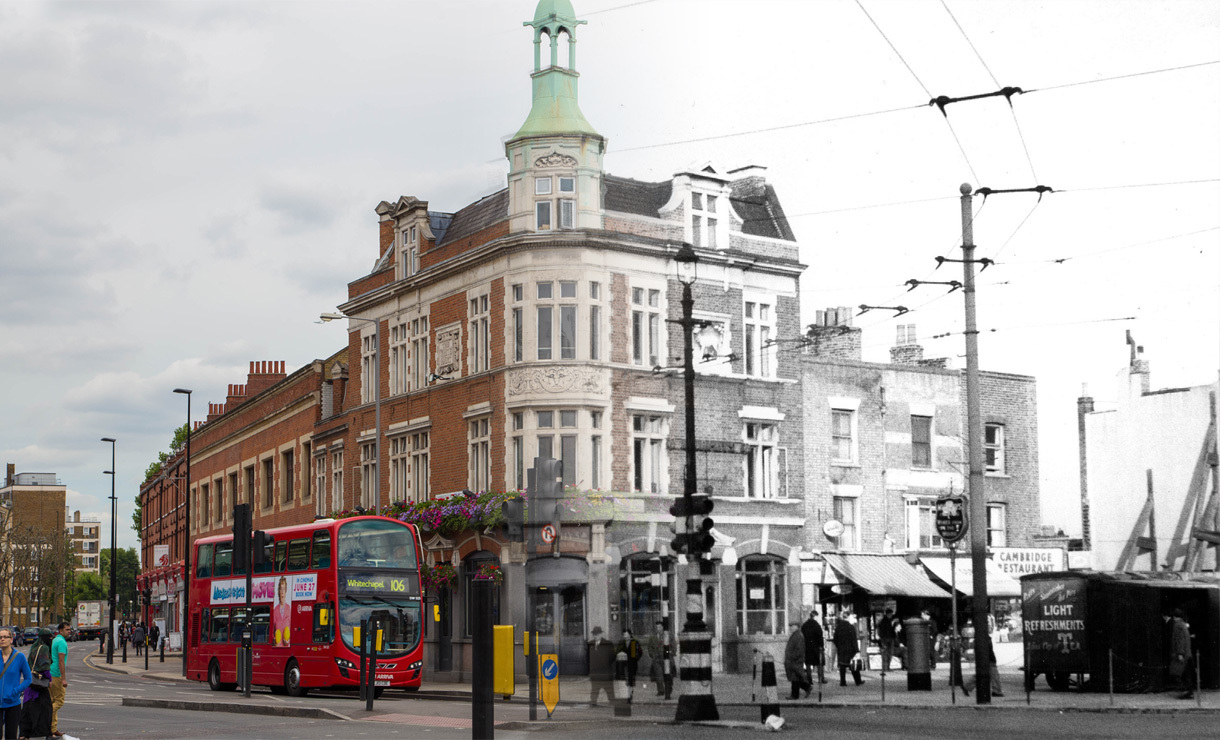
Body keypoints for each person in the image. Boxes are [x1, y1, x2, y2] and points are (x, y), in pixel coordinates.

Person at [20, 628, 53, 740]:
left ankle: (24, 735)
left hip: (31, 684)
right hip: (40, 684)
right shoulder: (44, 648)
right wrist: (49, 679)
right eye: (49, 637)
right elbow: (44, 666)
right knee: (46, 710)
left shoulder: (34, 647)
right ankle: (48, 734)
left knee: (28, 710)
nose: (51, 639)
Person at [0, 627, 32, 740]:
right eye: (0, 637)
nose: (2, 639)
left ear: (11, 639)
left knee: (11, 735)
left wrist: (15, 691)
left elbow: (28, 678)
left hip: (12, 703)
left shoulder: (19, 657)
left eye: (5, 637)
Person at [961, 628, 1003, 697]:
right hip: (989, 659)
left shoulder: (980, 638)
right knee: (994, 675)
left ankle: (967, 687)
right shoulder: (985, 638)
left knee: (981, 674)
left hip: (986, 659)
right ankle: (996, 691)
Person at [49, 623, 69, 738]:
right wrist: (63, 678)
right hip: (56, 674)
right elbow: (61, 661)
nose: (69, 631)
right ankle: (47, 716)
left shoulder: (55, 640)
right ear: (61, 630)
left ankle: (53, 728)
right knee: (59, 701)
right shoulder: (61, 642)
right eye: (67, 630)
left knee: (53, 700)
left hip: (51, 672)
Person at [1169, 608, 1195, 699]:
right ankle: (1189, 691)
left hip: (1182, 654)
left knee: (1179, 673)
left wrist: (1180, 653)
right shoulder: (1184, 625)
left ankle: (1186, 692)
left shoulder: (1177, 626)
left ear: (1175, 617)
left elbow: (1180, 640)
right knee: (1186, 673)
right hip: (1187, 653)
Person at [587, 626, 616, 706]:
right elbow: (588, 658)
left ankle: (612, 701)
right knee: (594, 688)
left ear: (600, 634)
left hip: (605, 671)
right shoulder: (590, 644)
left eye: (596, 634)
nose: (595, 636)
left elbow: (613, 656)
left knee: (609, 688)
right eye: (594, 634)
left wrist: (605, 663)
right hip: (595, 672)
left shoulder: (608, 644)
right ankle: (593, 701)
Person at [833, 611, 863, 686]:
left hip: (841, 649)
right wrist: (857, 650)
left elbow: (835, 639)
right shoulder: (851, 627)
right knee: (853, 665)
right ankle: (858, 681)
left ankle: (842, 682)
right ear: (848, 617)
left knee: (842, 666)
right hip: (850, 649)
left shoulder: (838, 627)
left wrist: (838, 645)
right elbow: (854, 640)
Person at [784, 622, 813, 699]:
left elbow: (799, 650)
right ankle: (806, 688)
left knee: (795, 677)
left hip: (795, 661)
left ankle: (796, 694)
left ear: (797, 626)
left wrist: (792, 658)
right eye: (790, 626)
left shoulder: (798, 636)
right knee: (795, 677)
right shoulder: (795, 635)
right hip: (793, 660)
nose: (790, 628)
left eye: (792, 626)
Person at [648, 621, 674, 700]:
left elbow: (673, 647)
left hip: (667, 658)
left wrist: (667, 653)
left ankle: (668, 688)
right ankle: (661, 690)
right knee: (658, 674)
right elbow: (650, 648)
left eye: (659, 627)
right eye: (657, 627)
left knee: (668, 674)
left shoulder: (668, 635)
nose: (658, 629)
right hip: (657, 658)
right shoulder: (653, 637)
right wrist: (653, 655)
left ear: (663, 627)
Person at [801, 610, 826, 685]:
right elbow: (820, 637)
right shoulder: (817, 625)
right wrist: (821, 646)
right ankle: (820, 679)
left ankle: (809, 679)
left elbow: (802, 637)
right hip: (816, 648)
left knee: (808, 664)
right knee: (819, 663)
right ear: (815, 616)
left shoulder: (804, 625)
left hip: (807, 647)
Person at [616, 629, 641, 695]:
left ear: (630, 635)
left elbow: (638, 653)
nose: (625, 636)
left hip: (631, 663)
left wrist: (636, 658)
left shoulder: (633, 642)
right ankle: (624, 689)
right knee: (623, 676)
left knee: (631, 677)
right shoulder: (622, 643)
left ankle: (630, 691)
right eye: (624, 635)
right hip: (622, 663)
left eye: (626, 635)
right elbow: (617, 651)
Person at [273, 576, 292, 647]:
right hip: (277, 647)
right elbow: (272, 630)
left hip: (287, 648)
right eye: (281, 589)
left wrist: (288, 641)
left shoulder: (289, 608)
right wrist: (274, 640)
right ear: (278, 591)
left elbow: (292, 628)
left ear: (286, 591)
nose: (282, 592)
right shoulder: (275, 610)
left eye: (284, 589)